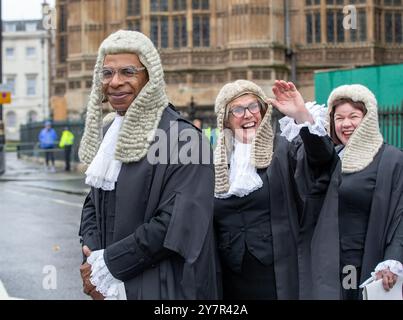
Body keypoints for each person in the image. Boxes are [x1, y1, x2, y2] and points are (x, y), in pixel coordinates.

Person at [78, 30, 218, 300]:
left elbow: (177, 224)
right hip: (109, 285)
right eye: (107, 73)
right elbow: (92, 203)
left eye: (128, 72)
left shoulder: (186, 138)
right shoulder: (109, 133)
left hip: (164, 288)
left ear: (150, 76)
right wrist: (92, 254)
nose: (115, 82)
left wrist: (109, 265)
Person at [213, 79, 336, 299]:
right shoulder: (213, 161)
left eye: (253, 107)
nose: (248, 115)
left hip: (277, 276)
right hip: (229, 280)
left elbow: (322, 161)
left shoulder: (283, 148)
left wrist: (301, 116)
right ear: (225, 119)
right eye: (238, 110)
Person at [305, 84, 403, 299]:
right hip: (328, 262)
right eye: (339, 118)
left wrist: (393, 259)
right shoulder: (331, 158)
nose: (346, 124)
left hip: (363, 264)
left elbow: (401, 216)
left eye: (353, 116)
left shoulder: (392, 159)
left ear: (367, 118)